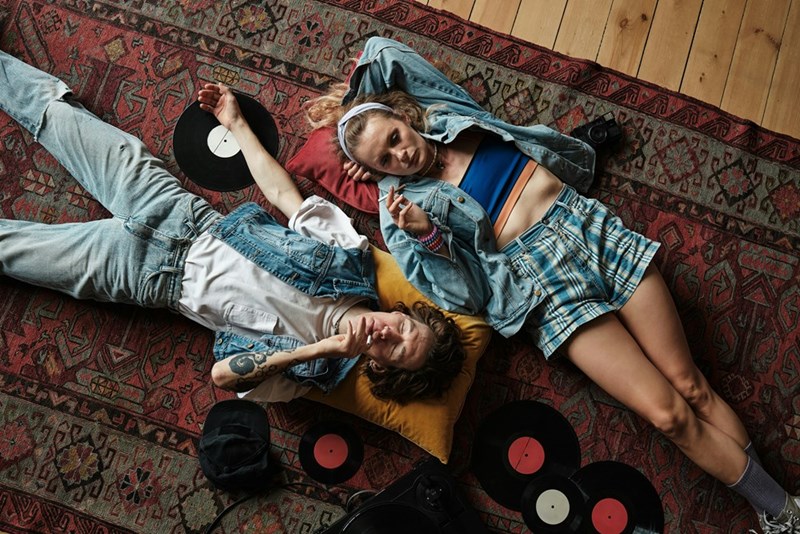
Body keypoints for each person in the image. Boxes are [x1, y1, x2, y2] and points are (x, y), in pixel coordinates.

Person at [305, 37, 799, 532]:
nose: (401, 154)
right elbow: (464, 296)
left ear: (401, 117)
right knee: (668, 414)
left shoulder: (445, 111)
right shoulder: (399, 213)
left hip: (587, 229)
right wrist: (428, 234)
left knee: (693, 386)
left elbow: (381, 51)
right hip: (540, 284)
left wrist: (346, 111)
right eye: (384, 161)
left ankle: (777, 507)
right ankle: (785, 512)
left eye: (393, 137)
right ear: (377, 174)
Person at [0, 48, 464, 406]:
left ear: (385, 369)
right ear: (404, 314)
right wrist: (236, 122)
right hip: (180, 212)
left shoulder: (310, 379)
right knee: (58, 115)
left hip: (145, 276)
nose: (390, 334)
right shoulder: (351, 255)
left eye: (398, 351)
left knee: (10, 251)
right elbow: (287, 199)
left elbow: (224, 374)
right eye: (404, 329)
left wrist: (318, 350)